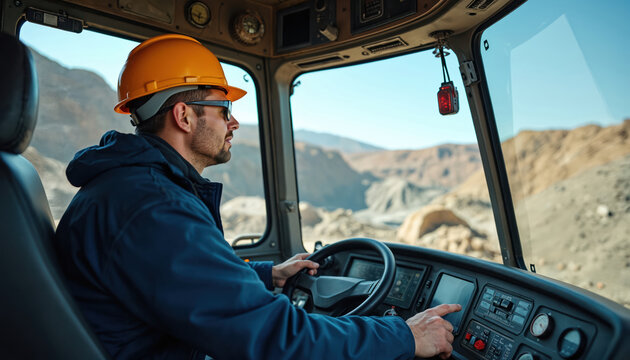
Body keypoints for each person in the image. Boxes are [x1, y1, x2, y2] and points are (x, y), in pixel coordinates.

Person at [54, 34, 461, 360]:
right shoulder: (155, 208)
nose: (233, 122)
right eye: (223, 108)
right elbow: (275, 337)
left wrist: (267, 276)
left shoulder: (131, 188)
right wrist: (403, 336)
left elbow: (183, 280)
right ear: (183, 116)